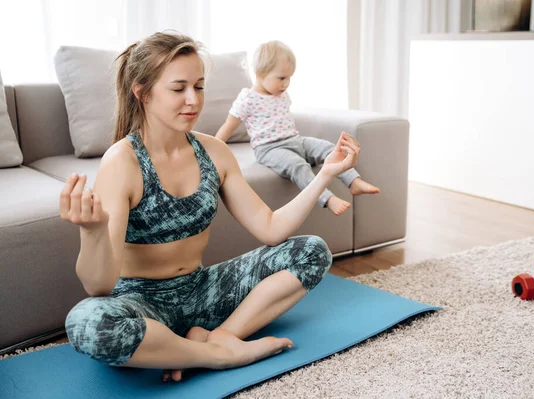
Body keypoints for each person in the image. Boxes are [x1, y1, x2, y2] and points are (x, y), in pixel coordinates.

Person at [60, 32, 363, 383]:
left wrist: (324, 174)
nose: (193, 100)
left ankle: (223, 337)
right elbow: (99, 287)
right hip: (142, 304)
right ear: (142, 92)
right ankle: (215, 356)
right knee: (86, 324)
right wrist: (92, 231)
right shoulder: (122, 162)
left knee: (312, 252)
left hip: (203, 290)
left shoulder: (214, 152)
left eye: (199, 87)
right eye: (178, 88)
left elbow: (270, 228)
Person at [215, 40, 379, 216]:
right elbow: (228, 125)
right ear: (261, 73)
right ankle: (327, 198)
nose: (286, 84)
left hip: (296, 141)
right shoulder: (247, 99)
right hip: (270, 149)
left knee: (328, 148)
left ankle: (353, 181)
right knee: (297, 165)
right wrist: (213, 148)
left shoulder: (281, 93)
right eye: (282, 78)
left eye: (289, 78)